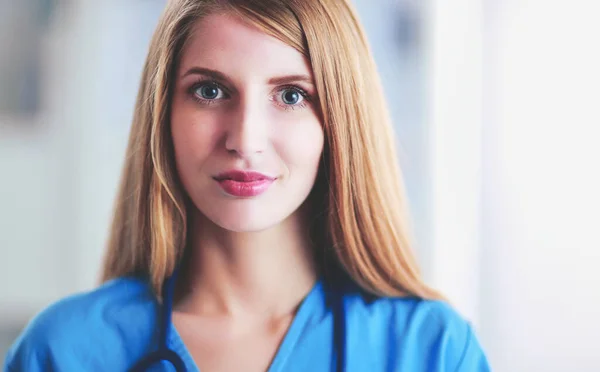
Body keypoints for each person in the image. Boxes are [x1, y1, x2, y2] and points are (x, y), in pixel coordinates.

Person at [4, 0, 490, 371]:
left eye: (292, 95)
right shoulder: (63, 350)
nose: (245, 139)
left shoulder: (430, 350)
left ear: (340, 123)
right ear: (164, 116)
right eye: (210, 91)